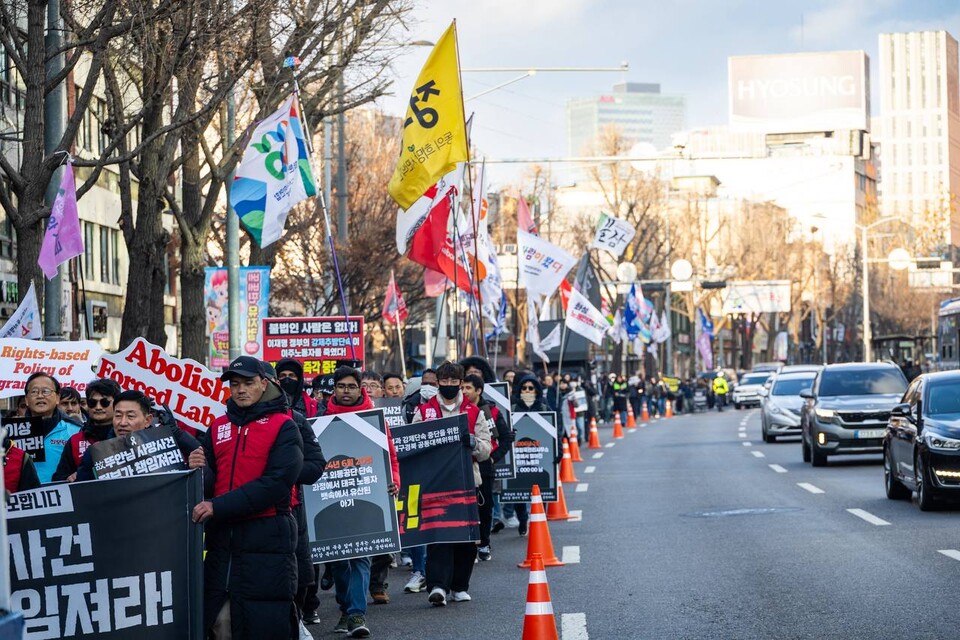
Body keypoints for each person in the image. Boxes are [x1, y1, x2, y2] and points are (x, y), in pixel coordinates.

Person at [196, 356, 304, 640]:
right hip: (222, 541)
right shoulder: (218, 426)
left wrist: (217, 506)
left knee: (263, 624)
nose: (240, 389)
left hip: (267, 535)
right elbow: (208, 483)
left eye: (248, 383)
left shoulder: (285, 426)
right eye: (234, 384)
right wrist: (198, 467)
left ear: (264, 384)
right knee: (219, 623)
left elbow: (276, 484)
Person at [320, 366, 399, 637]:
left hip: (367, 496)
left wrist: (394, 481)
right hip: (332, 500)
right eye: (341, 386)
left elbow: (390, 455)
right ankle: (345, 608)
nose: (346, 391)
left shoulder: (374, 419)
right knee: (340, 561)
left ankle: (356, 614)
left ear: (359, 389)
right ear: (334, 389)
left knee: (361, 557)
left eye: (351, 386)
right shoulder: (321, 420)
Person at [412, 361, 491, 607]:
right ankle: (437, 586)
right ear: (437, 382)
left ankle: (459, 586)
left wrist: (473, 443)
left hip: (467, 482)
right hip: (436, 484)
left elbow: (487, 449)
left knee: (466, 539)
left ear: (460, 383)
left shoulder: (473, 412)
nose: (448, 386)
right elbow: (412, 443)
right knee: (439, 537)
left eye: (453, 382)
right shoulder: (424, 411)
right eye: (443, 381)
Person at [261, 363, 327, 634]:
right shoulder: (227, 423)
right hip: (251, 511)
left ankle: (296, 618)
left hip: (291, 508)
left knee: (299, 573)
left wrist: (283, 473)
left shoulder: (295, 419)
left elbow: (315, 465)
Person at [460, 373, 512, 562]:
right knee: (466, 507)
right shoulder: (458, 409)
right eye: (462, 387)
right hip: (462, 466)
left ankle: (484, 544)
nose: (464, 391)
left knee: (485, 506)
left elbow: (506, 438)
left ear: (478, 391)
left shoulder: (492, 411)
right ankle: (469, 544)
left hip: (484, 466)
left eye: (468, 388)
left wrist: (493, 458)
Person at [52, 378, 122, 482]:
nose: (98, 407)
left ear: (116, 403)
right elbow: (58, 479)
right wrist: (69, 478)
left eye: (104, 402)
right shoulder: (75, 440)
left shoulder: (126, 434)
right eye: (92, 402)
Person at [22, 373, 81, 484]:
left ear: (57, 397)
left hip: (60, 497)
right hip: (22, 498)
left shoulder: (75, 431)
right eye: (34, 391)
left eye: (46, 391)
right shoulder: (10, 432)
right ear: (26, 399)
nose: (40, 396)